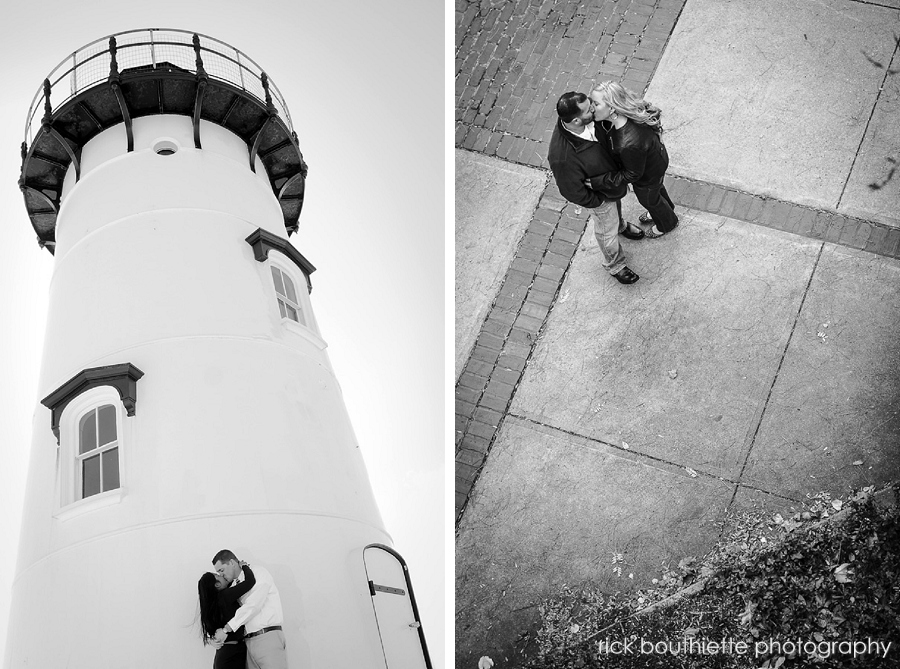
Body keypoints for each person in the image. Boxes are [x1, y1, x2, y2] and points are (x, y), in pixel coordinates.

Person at [548, 91, 644, 285]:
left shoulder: (592, 119)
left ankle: (620, 226)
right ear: (576, 120)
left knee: (615, 214)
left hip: (610, 184)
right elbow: (570, 190)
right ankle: (615, 264)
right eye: (588, 109)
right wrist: (598, 202)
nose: (593, 108)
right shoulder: (562, 157)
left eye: (591, 103)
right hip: (600, 196)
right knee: (605, 231)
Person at [589, 81, 679, 239]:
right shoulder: (628, 112)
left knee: (649, 199)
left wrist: (600, 182)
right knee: (656, 190)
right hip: (656, 162)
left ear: (611, 108)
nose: (591, 108)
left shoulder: (627, 143)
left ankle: (667, 223)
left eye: (596, 104)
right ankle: (666, 208)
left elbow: (632, 174)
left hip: (647, 174)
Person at [212, 549, 288, 669]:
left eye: (222, 570)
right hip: (247, 644)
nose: (221, 575)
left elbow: (253, 606)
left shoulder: (258, 573)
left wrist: (227, 629)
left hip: (267, 638)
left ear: (232, 563)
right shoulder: (233, 587)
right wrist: (214, 638)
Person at [198, 562, 257, 668]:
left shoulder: (214, 605)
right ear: (217, 584)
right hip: (232, 654)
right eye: (218, 576)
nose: (222, 576)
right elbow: (250, 582)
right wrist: (244, 566)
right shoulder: (225, 596)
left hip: (225, 655)